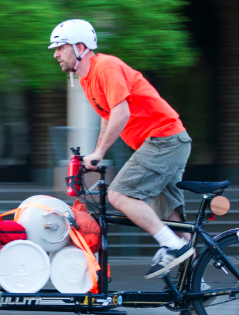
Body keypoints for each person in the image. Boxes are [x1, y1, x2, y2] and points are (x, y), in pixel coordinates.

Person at [49, 20, 194, 281]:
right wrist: (96, 153)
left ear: (80, 47)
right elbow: (107, 115)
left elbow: (121, 111)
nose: (56, 53)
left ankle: (173, 247)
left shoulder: (106, 67)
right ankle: (197, 286)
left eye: (60, 47)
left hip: (163, 139)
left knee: (119, 195)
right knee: (169, 215)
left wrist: (100, 152)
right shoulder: (86, 80)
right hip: (164, 141)